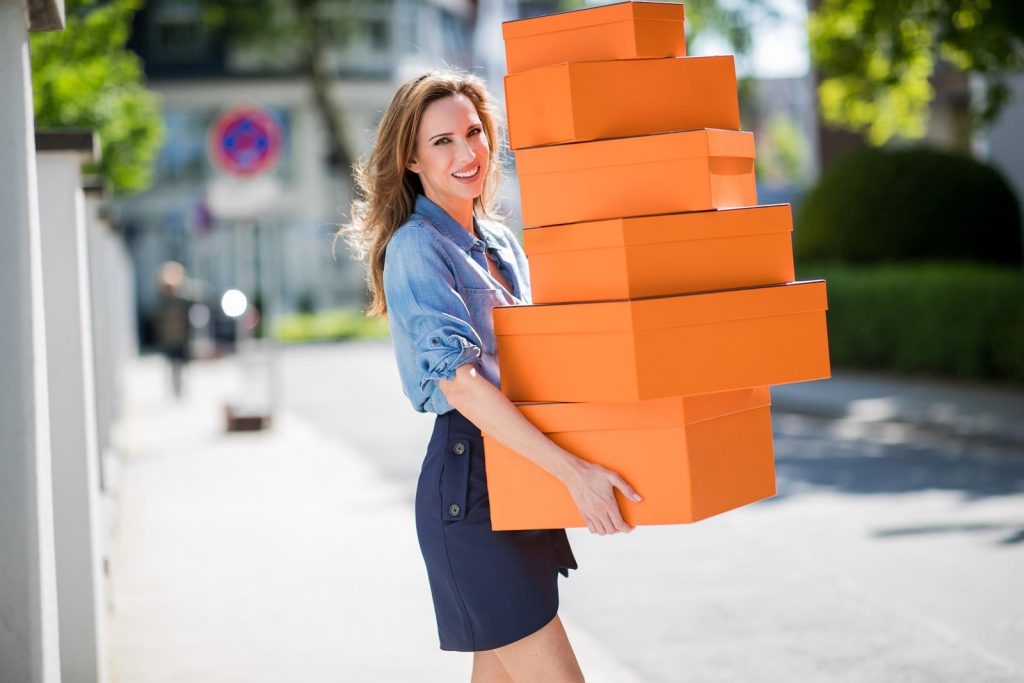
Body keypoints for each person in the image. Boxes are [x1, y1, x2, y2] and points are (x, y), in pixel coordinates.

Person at [335, 69, 642, 682]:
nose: (467, 152)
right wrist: (574, 473)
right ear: (413, 160)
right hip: (470, 488)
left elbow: (539, 363)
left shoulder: (501, 242)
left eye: (474, 133)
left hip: (519, 475)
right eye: (443, 141)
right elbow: (462, 383)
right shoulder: (417, 247)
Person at [153, 260, 194, 399]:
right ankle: (175, 388)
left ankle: (180, 389)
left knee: (180, 365)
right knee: (172, 365)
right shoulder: (163, 300)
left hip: (181, 337)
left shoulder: (183, 298)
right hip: (170, 338)